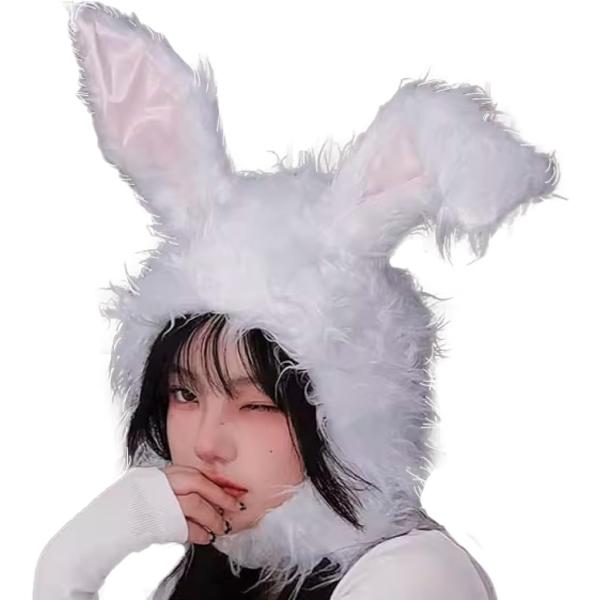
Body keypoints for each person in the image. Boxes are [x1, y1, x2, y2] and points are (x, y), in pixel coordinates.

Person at [33, 2, 563, 599]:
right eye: (185, 394)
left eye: (257, 404)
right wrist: (74, 558)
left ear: (346, 417)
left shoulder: (412, 577)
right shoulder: (222, 566)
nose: (207, 443)